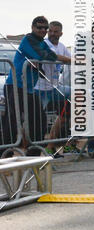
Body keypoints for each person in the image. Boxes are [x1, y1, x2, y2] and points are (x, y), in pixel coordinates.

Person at [2, 16, 70, 149]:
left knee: (39, 119)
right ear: (33, 28)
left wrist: (68, 59)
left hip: (29, 89)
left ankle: (33, 152)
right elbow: (43, 56)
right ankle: (5, 154)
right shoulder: (28, 39)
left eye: (45, 28)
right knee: (12, 121)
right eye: (39, 27)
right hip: (15, 87)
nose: (43, 30)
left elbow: (50, 54)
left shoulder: (41, 42)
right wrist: (69, 60)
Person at [36, 21, 71, 156]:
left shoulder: (62, 46)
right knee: (35, 122)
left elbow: (71, 58)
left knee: (77, 94)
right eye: (50, 31)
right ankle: (28, 152)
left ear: (61, 33)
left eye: (55, 31)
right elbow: (55, 56)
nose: (52, 34)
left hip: (55, 88)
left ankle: (53, 146)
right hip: (40, 89)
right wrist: (73, 60)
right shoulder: (45, 44)